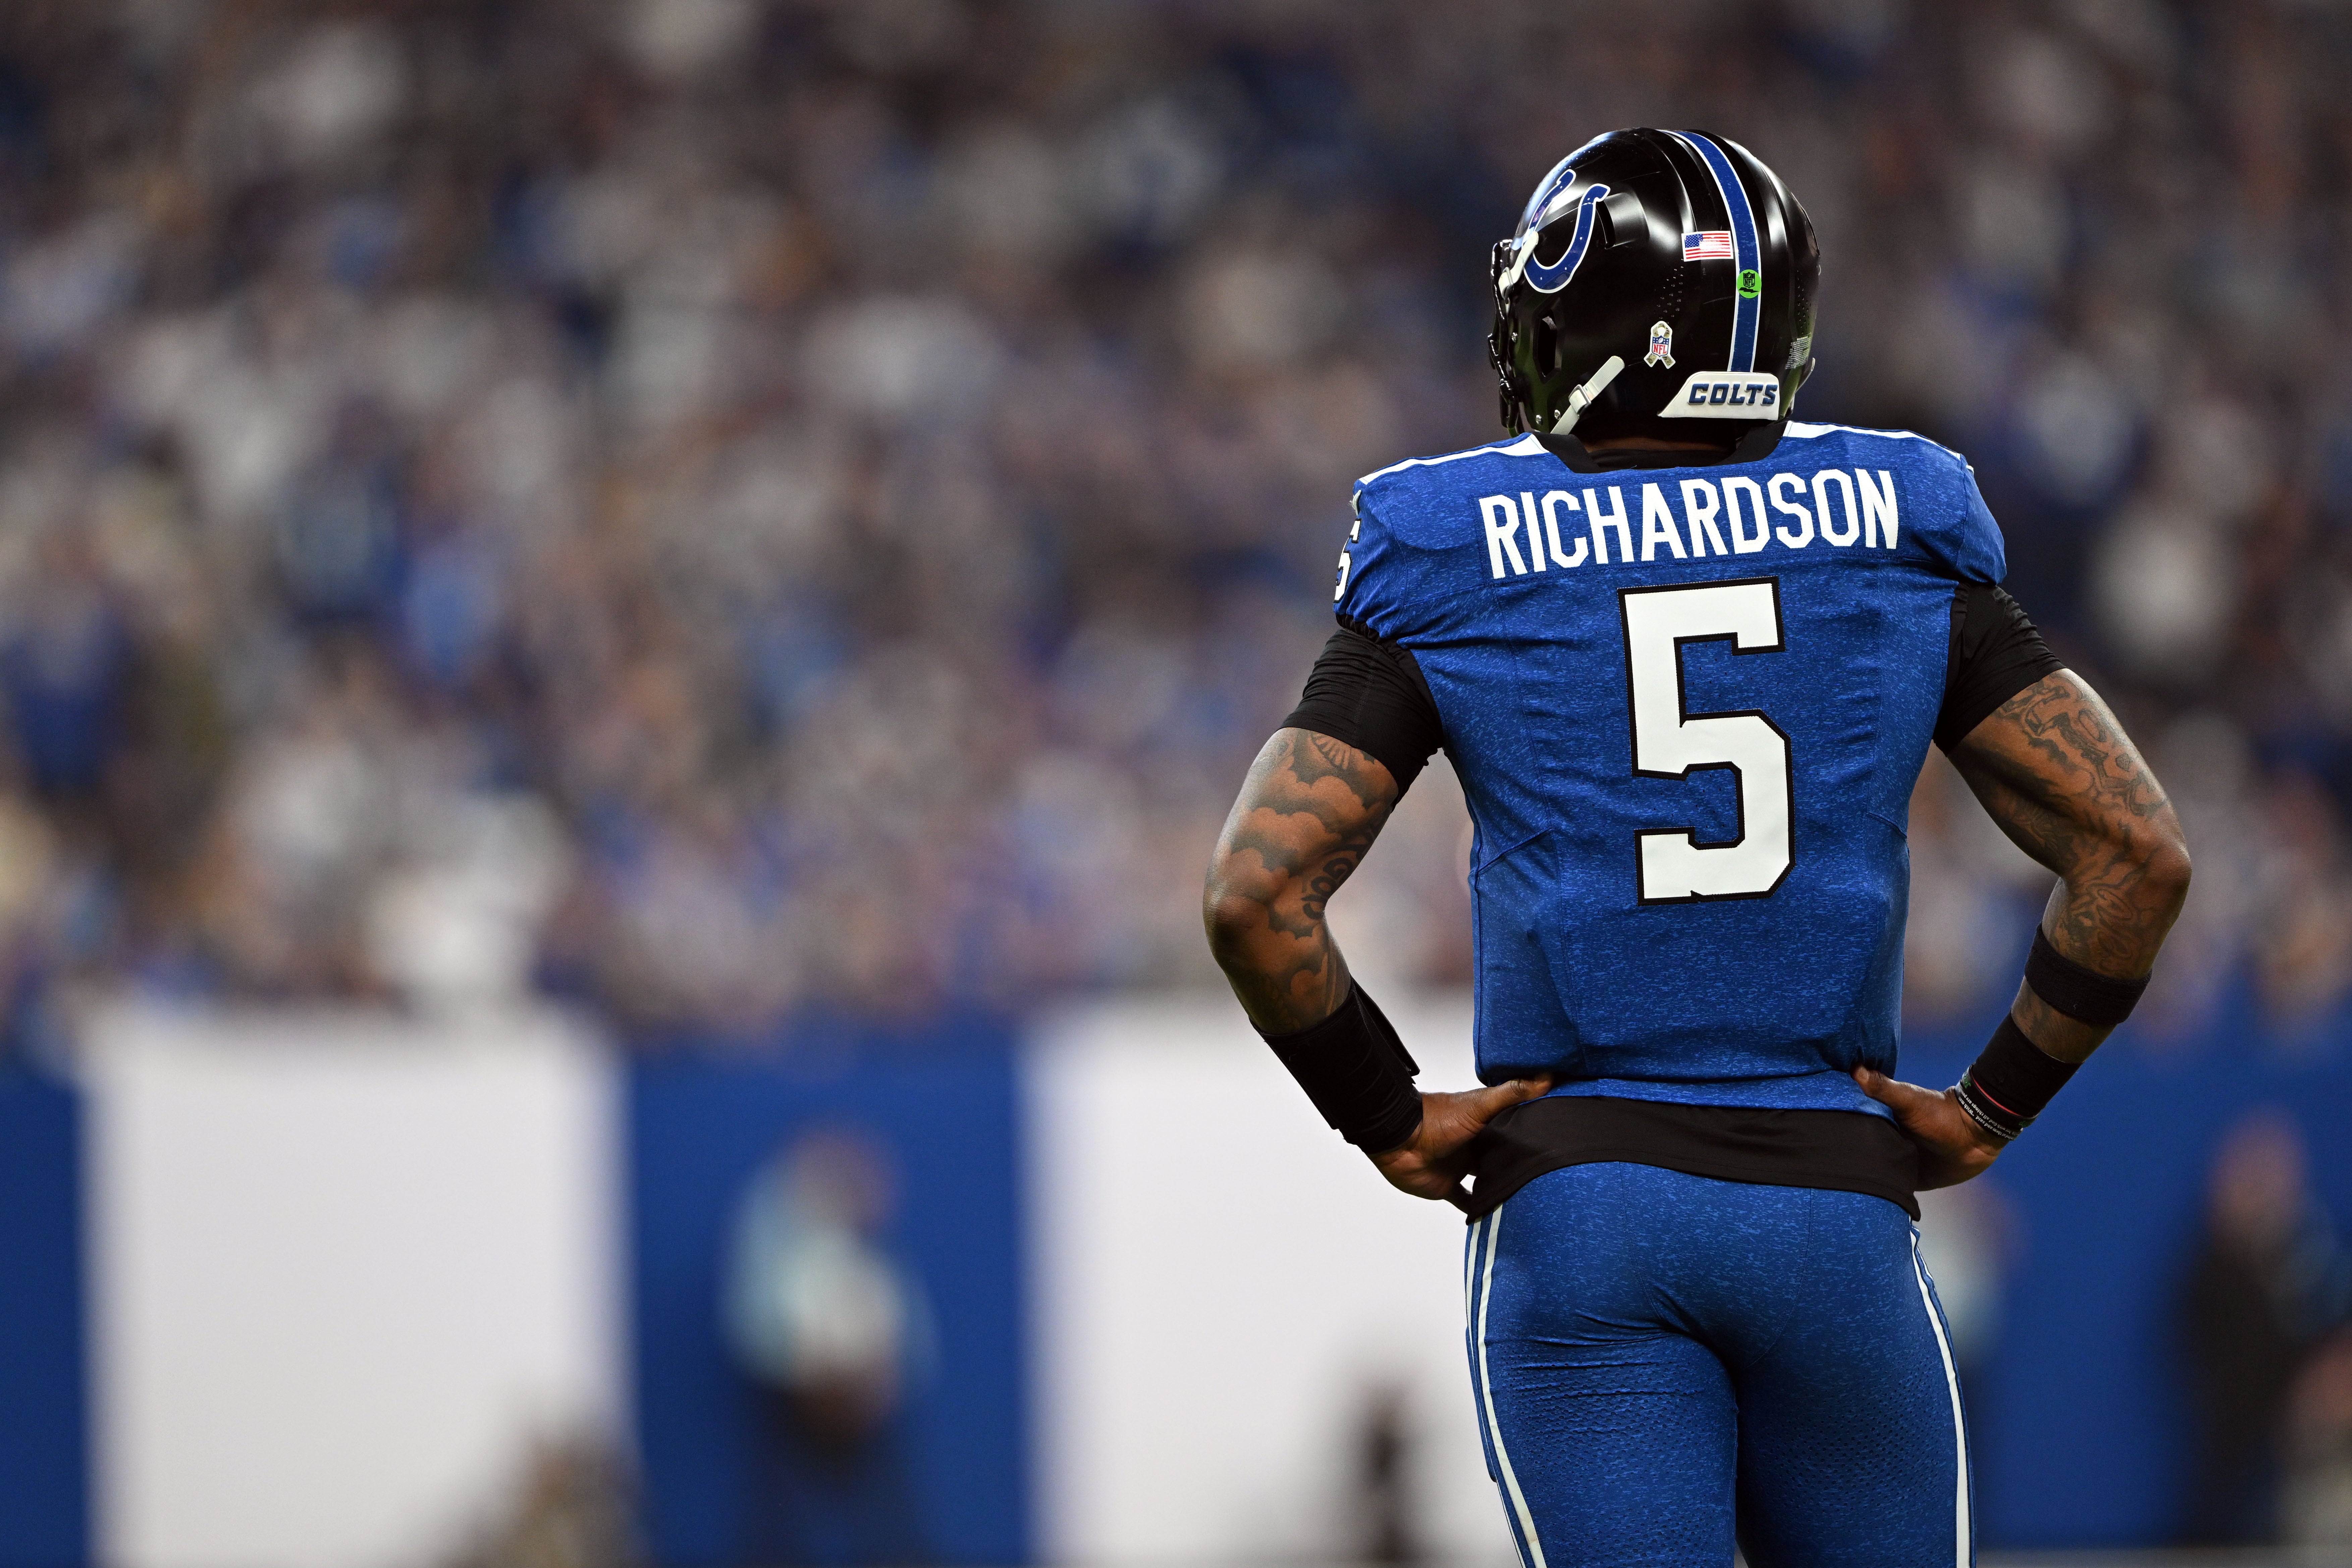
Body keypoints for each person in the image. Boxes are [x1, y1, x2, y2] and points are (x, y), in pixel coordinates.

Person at [1202, 128, 2191, 1568]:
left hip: (1586, 1212)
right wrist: (1987, 1105)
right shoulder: (1896, 515)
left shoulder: (1454, 536)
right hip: (1836, 1225)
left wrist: (1383, 1109)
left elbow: (1255, 891)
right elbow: (2134, 854)